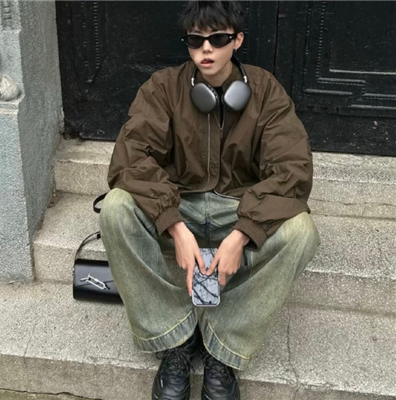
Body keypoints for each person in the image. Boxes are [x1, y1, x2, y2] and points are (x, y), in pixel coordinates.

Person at [100, 1, 320, 399]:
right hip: (178, 202)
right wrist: (174, 225)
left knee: (301, 232)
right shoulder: (163, 88)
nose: (206, 49)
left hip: (238, 207)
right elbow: (130, 159)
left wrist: (243, 233)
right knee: (116, 208)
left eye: (217, 39)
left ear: (237, 40)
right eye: (195, 40)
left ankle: (223, 347)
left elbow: (293, 169)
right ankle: (175, 340)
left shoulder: (265, 90)